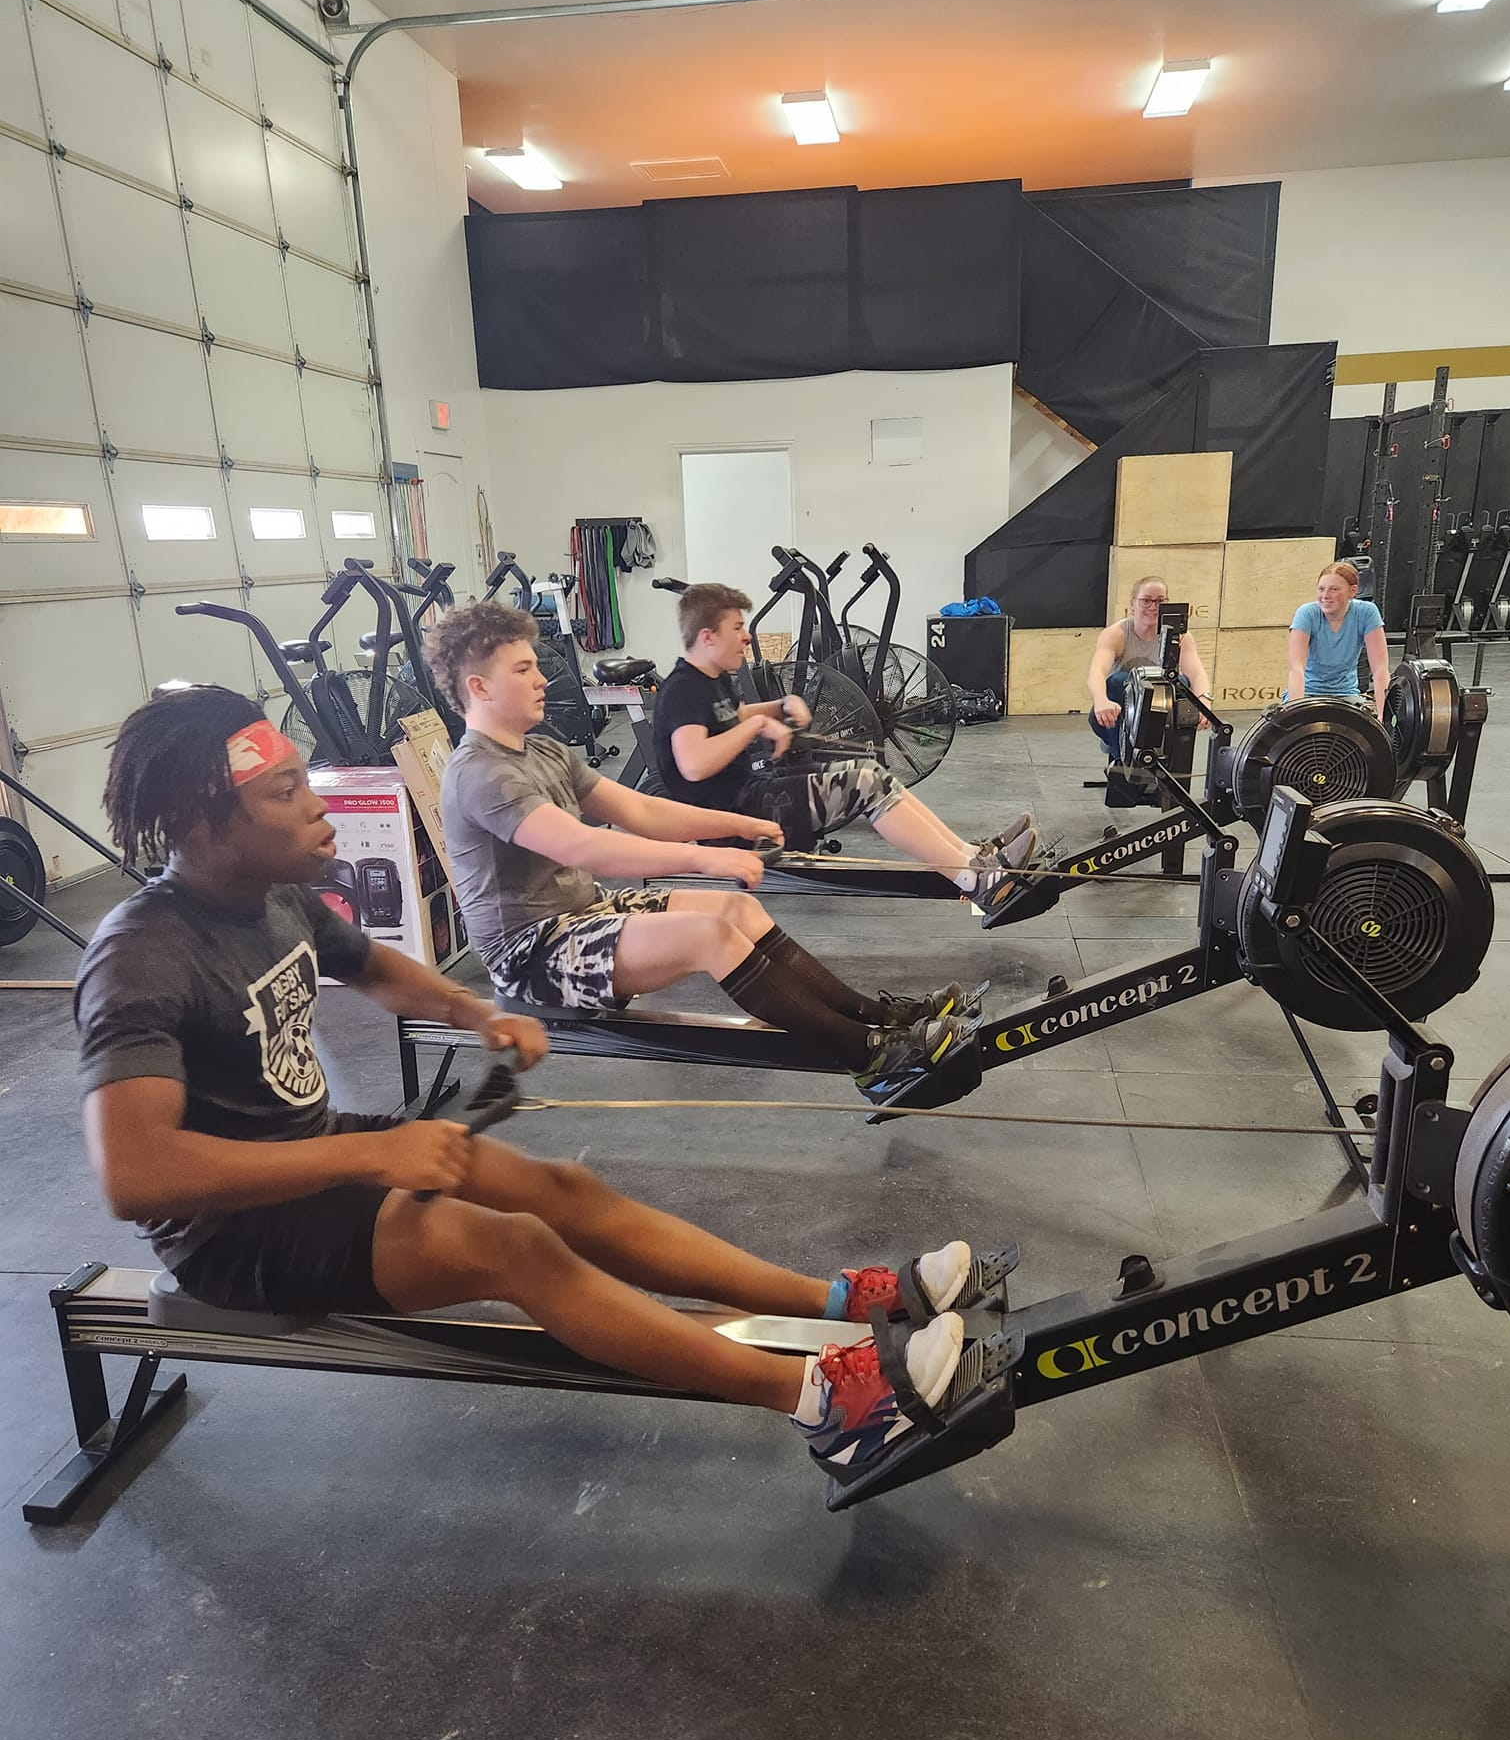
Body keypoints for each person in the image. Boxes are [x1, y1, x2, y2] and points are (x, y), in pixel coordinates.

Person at [75, 682, 984, 1494]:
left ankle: (838, 1304)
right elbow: (138, 1175)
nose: (319, 809)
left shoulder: (275, 894)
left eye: (303, 782)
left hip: (311, 1159)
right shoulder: (142, 954)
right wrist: (371, 1150)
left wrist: (479, 1017)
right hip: (233, 1234)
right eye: (284, 795)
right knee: (508, 1248)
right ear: (202, 825)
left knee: (560, 1190)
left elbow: (374, 968)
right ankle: (830, 1408)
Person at [429, 602, 976, 1103]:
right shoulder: (481, 773)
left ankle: (880, 1017)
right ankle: (870, 1055)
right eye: (523, 670)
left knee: (737, 910)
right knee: (707, 936)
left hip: (581, 916)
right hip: (530, 954)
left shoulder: (543, 749)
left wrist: (740, 823)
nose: (543, 679)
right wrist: (704, 858)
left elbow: (642, 811)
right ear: (479, 687)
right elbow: (585, 845)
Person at [650, 583, 1038, 891]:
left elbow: (732, 718)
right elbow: (694, 764)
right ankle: (975, 881)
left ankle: (973, 856)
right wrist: (756, 726)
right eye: (737, 628)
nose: (747, 637)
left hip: (751, 793)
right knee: (866, 784)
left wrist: (781, 705)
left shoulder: (712, 680)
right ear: (708, 637)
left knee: (872, 772)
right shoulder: (684, 689)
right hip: (733, 819)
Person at [1087, 574, 1213, 758]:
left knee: (1182, 683)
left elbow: (1197, 674)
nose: (1153, 607)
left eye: (1159, 601)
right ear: (1132, 604)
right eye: (1146, 601)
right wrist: (1101, 701)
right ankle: (1122, 760)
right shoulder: (1116, 634)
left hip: (1161, 707)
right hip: (1126, 708)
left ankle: (1171, 765)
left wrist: (1204, 701)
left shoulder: (1181, 637)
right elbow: (1096, 672)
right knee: (1116, 681)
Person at [1287, 560, 1388, 717]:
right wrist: (1296, 713)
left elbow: (1380, 670)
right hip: (1308, 692)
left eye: (1334, 589)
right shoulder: (1306, 614)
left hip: (1346, 695)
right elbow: (1296, 668)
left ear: (1352, 591)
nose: (1325, 596)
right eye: (1321, 589)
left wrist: (1383, 716)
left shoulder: (1367, 613)